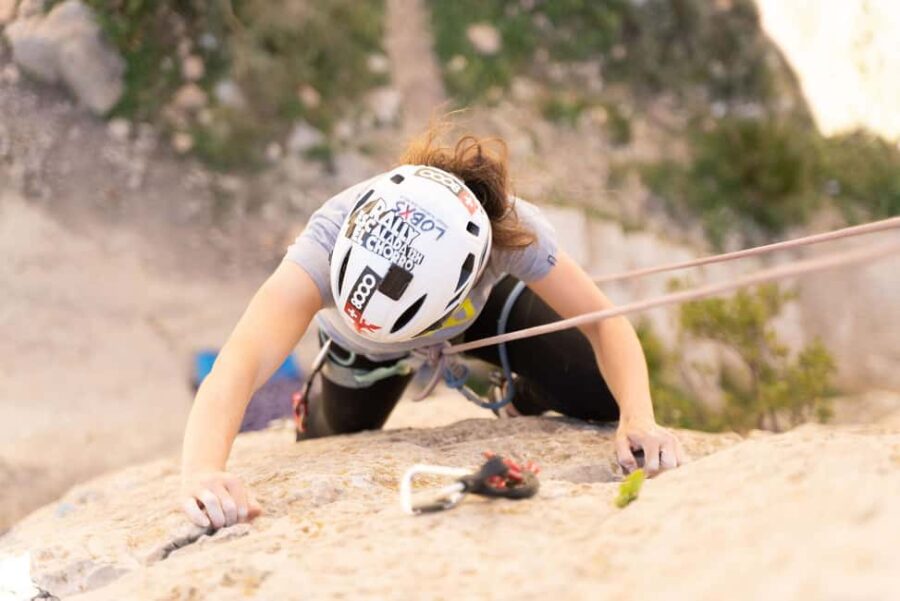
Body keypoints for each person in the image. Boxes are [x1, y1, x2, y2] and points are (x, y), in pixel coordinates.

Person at [179, 126, 687, 529]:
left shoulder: (510, 233)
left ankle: (519, 397)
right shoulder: (328, 239)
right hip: (361, 344)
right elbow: (239, 365)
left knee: (599, 392)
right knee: (328, 440)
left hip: (472, 313)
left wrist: (638, 418)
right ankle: (317, 399)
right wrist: (203, 471)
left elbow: (605, 323)